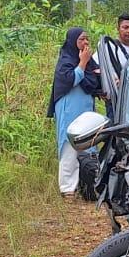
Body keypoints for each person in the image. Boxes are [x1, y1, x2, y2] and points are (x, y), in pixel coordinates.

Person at [47, 27, 103, 196]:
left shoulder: (90, 62)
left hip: (85, 109)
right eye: (81, 40)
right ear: (72, 42)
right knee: (69, 146)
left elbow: (94, 80)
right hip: (69, 108)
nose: (85, 43)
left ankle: (88, 187)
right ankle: (68, 189)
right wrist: (82, 63)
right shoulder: (66, 61)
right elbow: (69, 79)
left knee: (88, 145)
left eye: (87, 39)